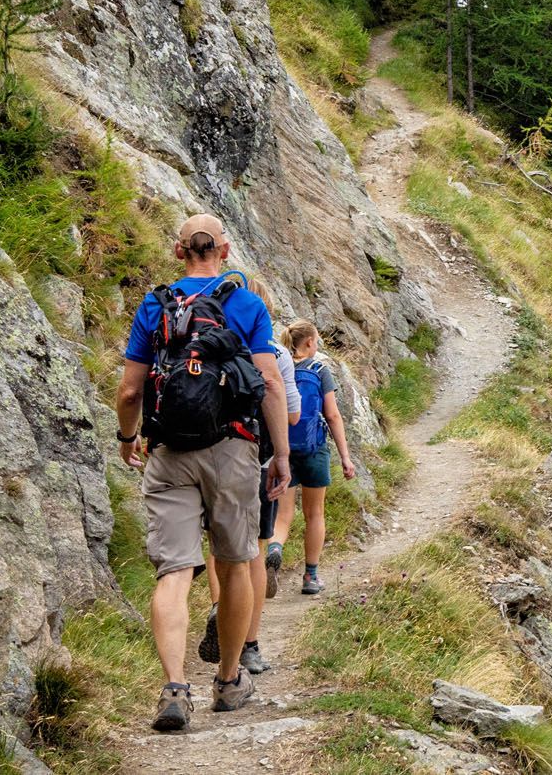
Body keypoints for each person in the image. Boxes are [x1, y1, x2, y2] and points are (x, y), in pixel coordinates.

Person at [116, 214, 289, 733]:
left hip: (168, 450)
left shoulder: (156, 305)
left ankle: (174, 688)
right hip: (233, 447)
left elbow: (129, 390)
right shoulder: (246, 303)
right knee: (236, 563)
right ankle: (229, 681)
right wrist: (280, 454)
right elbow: (271, 381)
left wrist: (129, 439)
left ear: (178, 251)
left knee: (173, 572)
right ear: (225, 249)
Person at [199, 323, 300, 675]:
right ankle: (250, 644)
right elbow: (291, 414)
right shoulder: (277, 352)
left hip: (202, 455)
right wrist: (283, 456)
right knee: (254, 548)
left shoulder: (199, 341)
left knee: (217, 545)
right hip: (255, 460)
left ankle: (218, 607)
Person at [271, 319, 358, 595]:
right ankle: (310, 577)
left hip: (280, 449)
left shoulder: (277, 367)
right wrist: (345, 457)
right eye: (317, 341)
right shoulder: (320, 370)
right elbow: (332, 415)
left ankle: (274, 549)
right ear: (309, 342)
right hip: (314, 448)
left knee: (283, 515)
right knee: (314, 513)